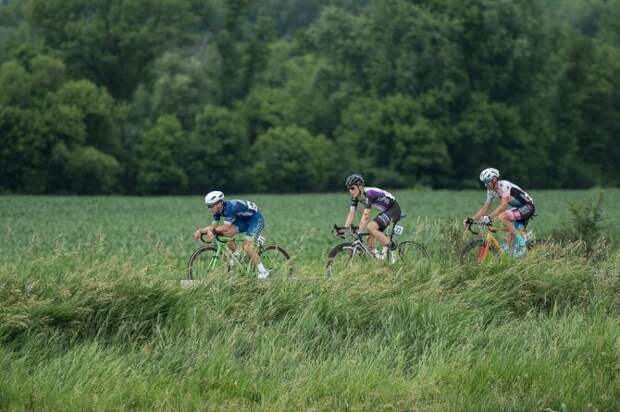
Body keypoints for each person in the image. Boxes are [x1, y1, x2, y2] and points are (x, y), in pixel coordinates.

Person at [194, 191, 270, 278]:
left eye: (211, 206)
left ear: (219, 204)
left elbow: (226, 227)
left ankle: (263, 272)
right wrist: (200, 231)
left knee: (247, 247)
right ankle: (237, 255)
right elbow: (213, 226)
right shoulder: (218, 211)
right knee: (226, 234)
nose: (209, 208)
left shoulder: (230, 208)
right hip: (243, 220)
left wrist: (212, 231)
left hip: (255, 220)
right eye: (208, 206)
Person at [464, 168, 535, 257]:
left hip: (528, 206)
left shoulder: (504, 185)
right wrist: (472, 219)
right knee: (508, 242)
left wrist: (490, 217)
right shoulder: (491, 191)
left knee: (503, 217)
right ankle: (514, 258)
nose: (486, 185)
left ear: (494, 180)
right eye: (484, 183)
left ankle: (522, 244)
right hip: (518, 208)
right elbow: (485, 207)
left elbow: (504, 205)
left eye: (487, 182)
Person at [343, 174, 401, 259]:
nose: (350, 191)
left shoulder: (369, 194)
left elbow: (366, 216)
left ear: (360, 187)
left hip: (393, 209)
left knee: (370, 227)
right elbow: (351, 213)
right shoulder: (355, 196)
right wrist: (345, 228)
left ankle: (393, 248)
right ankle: (380, 259)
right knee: (369, 239)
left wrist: (359, 233)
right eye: (349, 189)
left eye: (352, 188)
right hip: (385, 211)